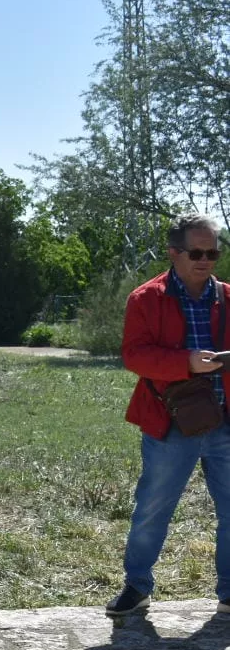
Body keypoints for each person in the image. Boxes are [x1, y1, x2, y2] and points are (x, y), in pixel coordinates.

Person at [106, 213, 230, 620]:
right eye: (196, 252)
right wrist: (187, 363)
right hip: (170, 423)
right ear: (173, 253)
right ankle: (137, 586)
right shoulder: (146, 298)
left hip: (225, 423)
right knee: (152, 508)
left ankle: (229, 593)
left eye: (213, 251)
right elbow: (134, 355)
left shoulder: (228, 297)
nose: (206, 260)